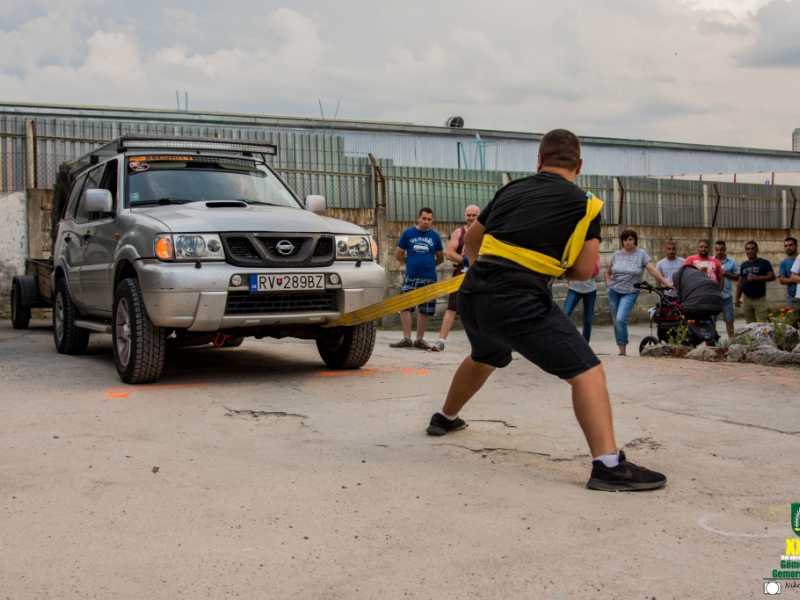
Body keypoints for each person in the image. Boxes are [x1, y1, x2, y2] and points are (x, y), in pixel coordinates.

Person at [426, 128, 666, 492]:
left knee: (486, 355)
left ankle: (445, 418)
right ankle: (608, 467)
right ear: (579, 165)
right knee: (588, 373)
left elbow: (473, 240)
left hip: (474, 293)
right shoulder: (585, 205)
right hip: (518, 297)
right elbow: (582, 271)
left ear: (538, 160)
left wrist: (484, 274)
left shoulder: (511, 190)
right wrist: (543, 268)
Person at [605, 230, 672, 356]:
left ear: (635, 240)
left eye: (630, 239)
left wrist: (666, 283)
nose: (628, 242)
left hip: (630, 292)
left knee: (620, 318)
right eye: (625, 240)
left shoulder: (641, 254)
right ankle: (621, 351)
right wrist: (608, 284)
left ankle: (622, 351)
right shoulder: (617, 254)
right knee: (616, 321)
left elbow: (652, 269)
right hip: (613, 291)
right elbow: (608, 272)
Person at [390, 207, 444, 349]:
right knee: (405, 305)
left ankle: (419, 339)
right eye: (424, 218)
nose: (426, 222)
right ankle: (407, 339)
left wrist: (428, 266)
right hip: (411, 276)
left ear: (432, 221)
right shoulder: (408, 233)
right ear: (418, 218)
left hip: (429, 277)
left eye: (429, 219)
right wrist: (411, 263)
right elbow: (398, 254)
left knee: (425, 309)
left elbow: (440, 258)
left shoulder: (435, 236)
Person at [431, 205, 481, 352]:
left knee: (485, 308)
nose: (471, 218)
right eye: (468, 215)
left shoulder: (486, 232)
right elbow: (449, 254)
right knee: (452, 308)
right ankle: (441, 341)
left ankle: (496, 341)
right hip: (460, 277)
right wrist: (467, 260)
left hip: (480, 276)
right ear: (464, 216)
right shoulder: (459, 232)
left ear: (480, 216)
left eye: (474, 215)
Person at [562, 254, 600, 343]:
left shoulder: (594, 253)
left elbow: (595, 271)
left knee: (587, 320)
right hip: (574, 289)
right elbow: (567, 268)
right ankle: (566, 341)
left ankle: (585, 344)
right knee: (565, 315)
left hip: (590, 290)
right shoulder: (573, 253)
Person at [734, 241, 775, 323]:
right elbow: (740, 282)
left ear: (757, 250)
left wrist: (757, 278)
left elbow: (772, 277)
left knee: (761, 324)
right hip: (747, 300)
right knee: (750, 325)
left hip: (759, 299)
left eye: (752, 249)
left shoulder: (764, 263)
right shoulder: (744, 265)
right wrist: (737, 298)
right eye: (748, 249)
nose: (750, 251)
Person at [714, 241, 740, 339]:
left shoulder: (731, 262)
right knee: (712, 320)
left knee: (729, 320)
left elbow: (738, 277)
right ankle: (712, 341)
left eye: (721, 250)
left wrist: (726, 274)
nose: (719, 252)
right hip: (713, 296)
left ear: (725, 249)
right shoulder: (711, 261)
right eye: (717, 250)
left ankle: (732, 341)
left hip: (726, 295)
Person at [778, 237, 798, 309]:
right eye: (786, 246)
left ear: (796, 246)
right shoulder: (784, 263)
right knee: (792, 316)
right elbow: (782, 280)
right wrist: (796, 279)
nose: (788, 247)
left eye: (790, 245)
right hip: (792, 296)